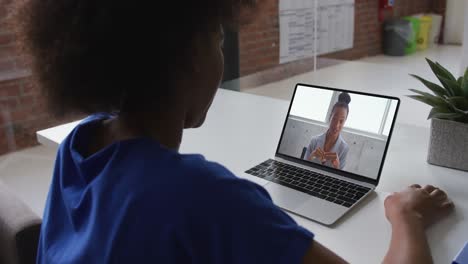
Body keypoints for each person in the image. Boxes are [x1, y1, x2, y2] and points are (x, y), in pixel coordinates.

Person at [13, 0, 454, 263]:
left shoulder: (80, 145)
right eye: (218, 41)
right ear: (188, 55)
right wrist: (406, 216)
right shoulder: (202, 195)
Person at [304, 92, 350, 170]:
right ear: (330, 117)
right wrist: (311, 157)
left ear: (345, 122)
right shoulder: (314, 141)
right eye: (334, 119)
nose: (336, 125)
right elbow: (302, 168)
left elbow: (339, 179)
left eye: (341, 121)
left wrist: (337, 167)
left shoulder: (344, 148)